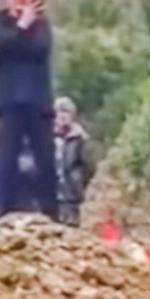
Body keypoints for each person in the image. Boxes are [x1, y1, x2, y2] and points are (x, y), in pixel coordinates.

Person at [0, 0, 57, 219]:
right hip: (8, 100)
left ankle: (51, 214)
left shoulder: (43, 24)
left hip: (38, 101)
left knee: (46, 161)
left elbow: (40, 48)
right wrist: (21, 25)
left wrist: (26, 27)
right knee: (4, 161)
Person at [54, 97, 94, 227]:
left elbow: (89, 167)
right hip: (51, 197)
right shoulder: (46, 138)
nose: (63, 116)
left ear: (73, 116)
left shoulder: (81, 139)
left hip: (72, 197)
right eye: (59, 112)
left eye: (67, 112)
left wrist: (80, 185)